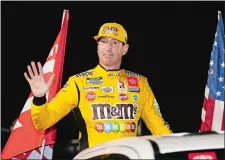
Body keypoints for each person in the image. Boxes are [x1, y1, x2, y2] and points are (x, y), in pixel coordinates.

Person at [24, 22, 172, 152]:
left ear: (124, 49)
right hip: (92, 157)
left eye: (115, 42)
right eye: (104, 41)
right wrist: (39, 98)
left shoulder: (140, 83)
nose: (108, 47)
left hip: (128, 157)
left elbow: (159, 128)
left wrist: (182, 148)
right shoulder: (78, 82)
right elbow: (43, 122)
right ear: (97, 46)